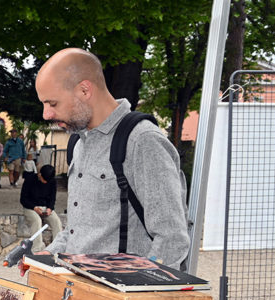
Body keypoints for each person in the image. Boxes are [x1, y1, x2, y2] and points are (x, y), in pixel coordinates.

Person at [35, 48, 190, 265]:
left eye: (53, 103)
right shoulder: (78, 143)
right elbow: (79, 231)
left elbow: (172, 239)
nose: (46, 114)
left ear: (84, 90)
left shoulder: (142, 141)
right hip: (80, 290)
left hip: (122, 296)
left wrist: (142, 286)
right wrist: (50, 254)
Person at [20, 164, 63, 252]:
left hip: (45, 208)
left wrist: (50, 208)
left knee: (57, 222)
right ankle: (38, 249)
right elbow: (23, 199)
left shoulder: (52, 181)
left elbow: (52, 198)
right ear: (40, 175)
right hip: (30, 208)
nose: (46, 182)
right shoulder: (29, 179)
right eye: (44, 180)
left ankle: (58, 248)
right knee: (37, 221)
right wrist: (34, 207)